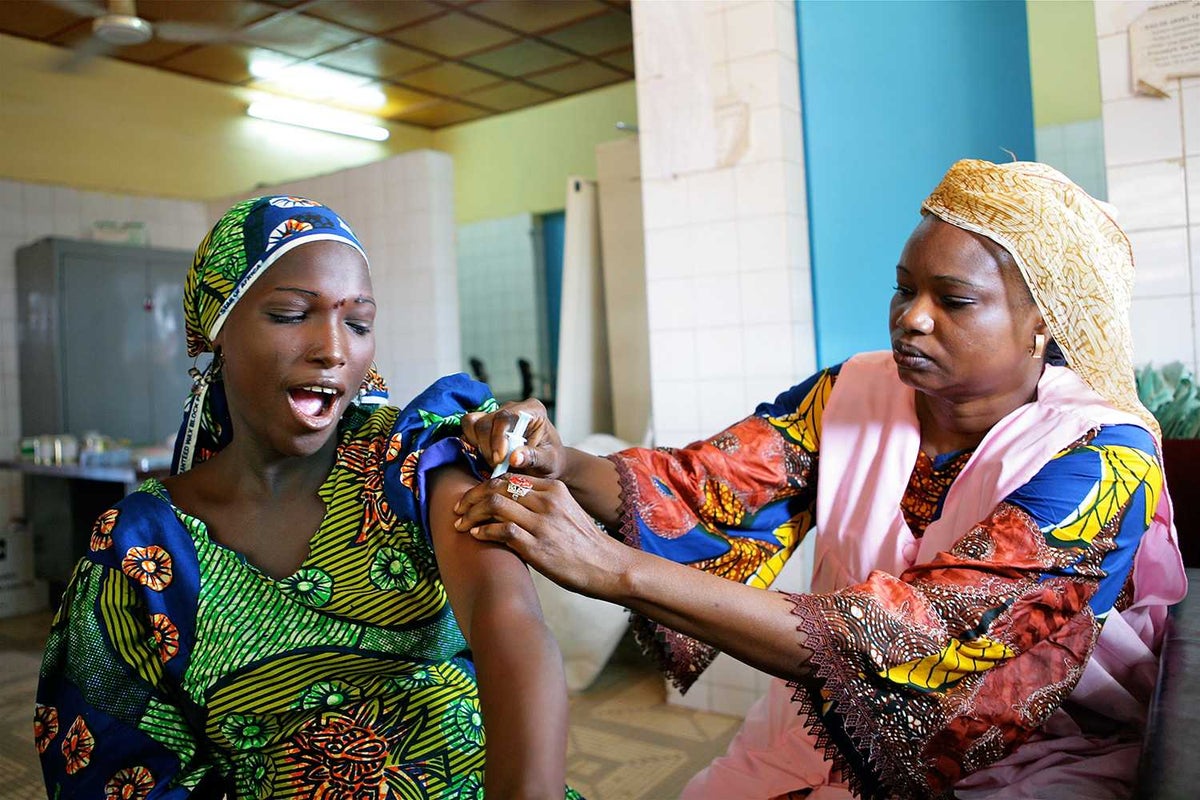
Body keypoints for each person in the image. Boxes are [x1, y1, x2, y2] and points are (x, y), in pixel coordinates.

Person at [454, 160, 1188, 799]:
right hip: (833, 718)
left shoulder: (1101, 455)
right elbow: (702, 488)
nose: (912, 320)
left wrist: (614, 570)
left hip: (1035, 751)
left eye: (953, 301)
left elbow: (920, 636)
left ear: (1042, 323)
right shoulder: (851, 393)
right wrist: (562, 460)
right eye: (904, 290)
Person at [35, 196, 578, 799]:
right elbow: (118, 768)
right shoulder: (142, 549)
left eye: (359, 322)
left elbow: (511, 624)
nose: (334, 349)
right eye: (293, 314)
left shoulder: (412, 461)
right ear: (219, 334)